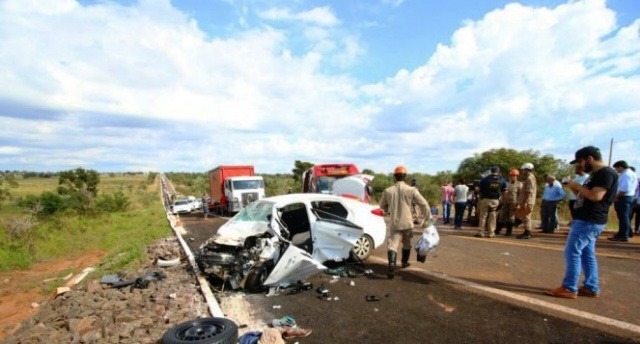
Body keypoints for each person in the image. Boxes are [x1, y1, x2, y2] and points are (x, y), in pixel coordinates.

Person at [545, 146, 618, 299]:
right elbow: (586, 196)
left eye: (581, 162)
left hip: (589, 220)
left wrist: (577, 185)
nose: (580, 166)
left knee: (572, 252)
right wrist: (574, 187)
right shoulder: (596, 174)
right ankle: (591, 286)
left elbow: (596, 196)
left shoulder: (605, 173)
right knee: (586, 253)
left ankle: (569, 288)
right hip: (588, 219)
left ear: (589, 159)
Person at [379, 166, 431, 279]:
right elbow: (424, 204)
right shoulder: (412, 190)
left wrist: (387, 211)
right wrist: (427, 219)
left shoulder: (387, 191)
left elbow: (381, 208)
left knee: (392, 245)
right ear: (405, 176)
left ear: (394, 177)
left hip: (394, 223)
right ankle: (404, 262)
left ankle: (391, 264)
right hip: (407, 223)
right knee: (407, 243)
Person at [475, 166, 507, 238]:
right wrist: (503, 201)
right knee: (492, 216)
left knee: (483, 216)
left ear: (491, 171)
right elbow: (505, 192)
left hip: (485, 200)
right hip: (495, 200)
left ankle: (480, 232)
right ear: (498, 171)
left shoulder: (485, 179)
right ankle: (491, 233)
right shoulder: (502, 180)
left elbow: (478, 189)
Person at [609, 160, 638, 242]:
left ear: (620, 167)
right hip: (628, 197)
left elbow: (624, 189)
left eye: (616, 168)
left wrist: (616, 197)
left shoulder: (626, 174)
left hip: (623, 197)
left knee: (623, 216)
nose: (616, 170)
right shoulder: (631, 173)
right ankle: (623, 233)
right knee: (624, 216)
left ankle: (623, 235)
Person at [495, 169, 522, 236]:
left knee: (511, 217)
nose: (513, 177)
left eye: (514, 176)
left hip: (513, 203)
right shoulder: (507, 183)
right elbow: (503, 193)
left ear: (517, 176)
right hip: (505, 202)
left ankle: (509, 232)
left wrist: (518, 204)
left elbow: (520, 195)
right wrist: (501, 202)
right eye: (512, 175)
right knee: (502, 216)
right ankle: (497, 230)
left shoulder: (519, 184)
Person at [515, 163, 537, 239]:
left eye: (523, 170)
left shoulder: (530, 178)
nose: (522, 171)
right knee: (524, 216)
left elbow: (529, 192)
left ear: (527, 169)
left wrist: (525, 202)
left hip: (528, 201)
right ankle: (527, 232)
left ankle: (527, 233)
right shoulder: (530, 178)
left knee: (526, 216)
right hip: (527, 201)